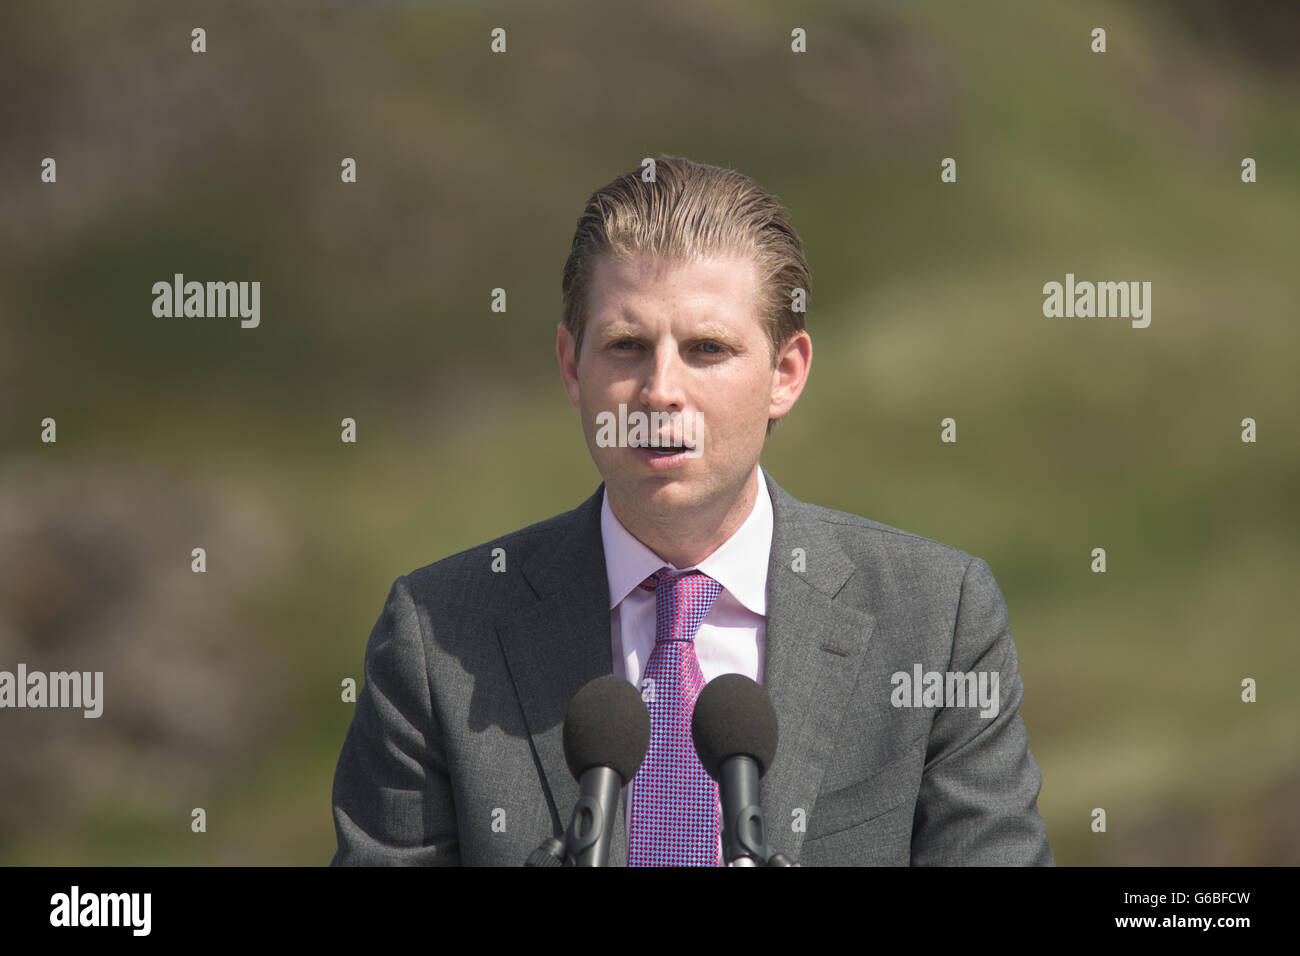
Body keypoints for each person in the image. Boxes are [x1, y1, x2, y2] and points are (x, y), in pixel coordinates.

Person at [330, 155, 1053, 866]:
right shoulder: (438, 636)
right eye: (626, 346)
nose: (661, 390)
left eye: (707, 348)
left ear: (785, 375)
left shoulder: (936, 618)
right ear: (569, 365)